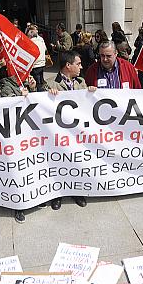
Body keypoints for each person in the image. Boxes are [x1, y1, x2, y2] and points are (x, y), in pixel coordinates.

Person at [45, 50, 95, 209]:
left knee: (76, 161)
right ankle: (58, 194)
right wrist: (48, 94)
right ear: (68, 65)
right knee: (59, 162)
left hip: (77, 132)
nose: (81, 67)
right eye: (78, 64)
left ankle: (76, 190)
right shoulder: (51, 83)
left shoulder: (81, 82)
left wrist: (92, 93)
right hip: (58, 133)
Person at [0, 67, 38, 223]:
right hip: (12, 138)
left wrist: (32, 89)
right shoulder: (5, 86)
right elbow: (9, 104)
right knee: (16, 172)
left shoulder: (21, 83)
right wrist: (21, 96)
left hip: (24, 135)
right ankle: (19, 206)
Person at [28, 25, 47, 89]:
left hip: (35, 65)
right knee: (41, 81)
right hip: (42, 63)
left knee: (36, 83)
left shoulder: (30, 42)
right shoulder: (41, 39)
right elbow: (45, 49)